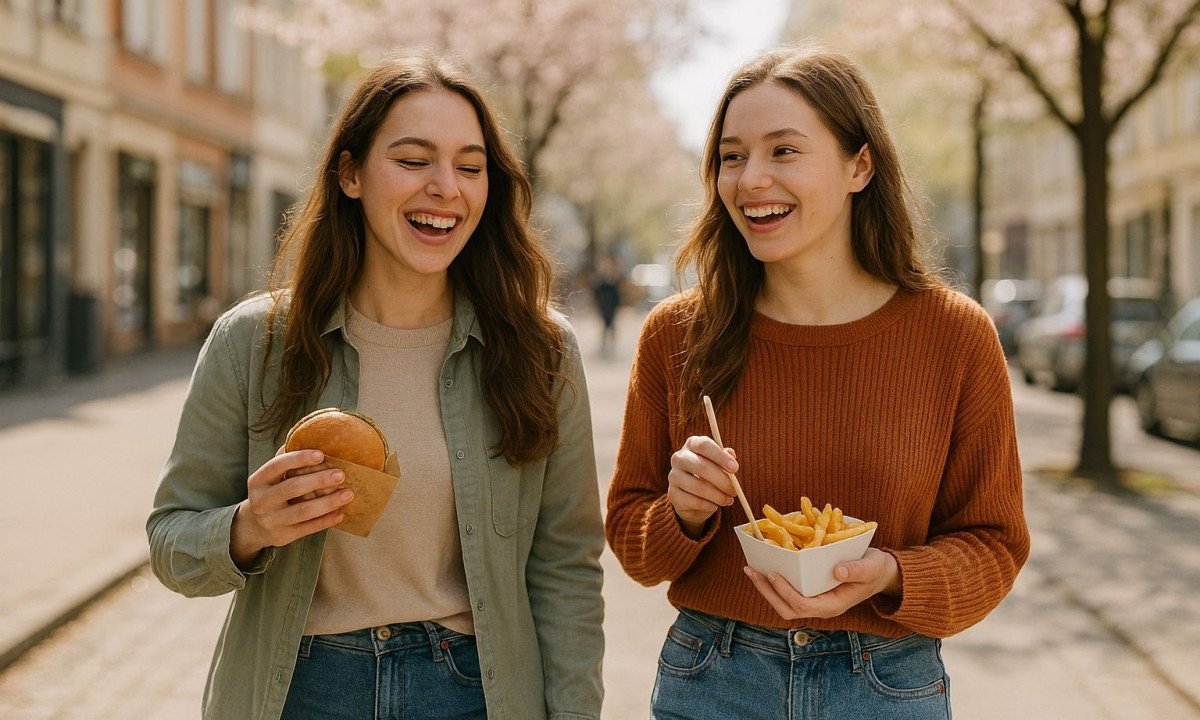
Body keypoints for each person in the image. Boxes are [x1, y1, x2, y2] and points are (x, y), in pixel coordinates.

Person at [147, 52, 604, 720]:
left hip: (473, 692)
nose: (445, 187)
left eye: (470, 167)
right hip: (301, 692)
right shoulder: (253, 342)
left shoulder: (542, 350)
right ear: (351, 174)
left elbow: (566, 567)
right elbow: (171, 542)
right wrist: (250, 526)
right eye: (414, 160)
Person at [605, 43, 1029, 719]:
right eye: (732, 156)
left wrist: (891, 574)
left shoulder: (955, 336)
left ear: (860, 165)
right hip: (713, 679)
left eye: (784, 151)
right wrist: (681, 513)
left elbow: (994, 544)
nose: (751, 179)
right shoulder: (675, 334)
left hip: (887, 686)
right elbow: (632, 539)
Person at [592, 256, 623, 358]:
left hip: (611, 306)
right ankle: (604, 345)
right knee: (606, 327)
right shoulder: (602, 282)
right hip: (604, 306)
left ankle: (610, 345)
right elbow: (597, 294)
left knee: (611, 326)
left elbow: (617, 295)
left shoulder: (614, 281)